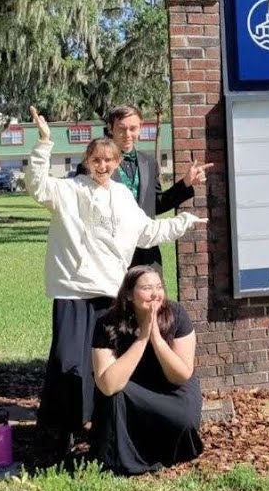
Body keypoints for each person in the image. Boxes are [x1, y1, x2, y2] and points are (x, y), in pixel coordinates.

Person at [25, 106, 206, 461]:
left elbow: (148, 231)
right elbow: (37, 186)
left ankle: (103, 434)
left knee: (109, 367)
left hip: (110, 294)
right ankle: (60, 437)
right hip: (73, 292)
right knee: (67, 365)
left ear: (116, 164)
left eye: (109, 161)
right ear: (87, 160)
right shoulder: (68, 190)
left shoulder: (123, 197)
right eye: (97, 160)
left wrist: (183, 222)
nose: (103, 166)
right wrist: (44, 143)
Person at [91, 265, 204, 475]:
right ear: (129, 294)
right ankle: (121, 462)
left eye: (159, 287)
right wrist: (142, 339)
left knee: (184, 421)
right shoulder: (107, 323)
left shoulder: (177, 315)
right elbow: (108, 385)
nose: (155, 294)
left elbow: (180, 375)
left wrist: (157, 340)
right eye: (146, 288)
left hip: (172, 389)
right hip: (132, 390)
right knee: (115, 396)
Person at [79, 105, 213, 268]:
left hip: (147, 254)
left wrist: (185, 183)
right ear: (110, 128)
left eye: (133, 128)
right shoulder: (92, 166)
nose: (127, 135)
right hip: (110, 256)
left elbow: (156, 205)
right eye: (121, 129)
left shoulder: (149, 163)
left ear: (141, 127)